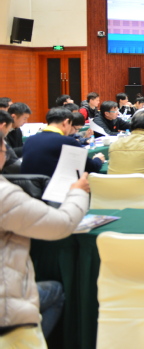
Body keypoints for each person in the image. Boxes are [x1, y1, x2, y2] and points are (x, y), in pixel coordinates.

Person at [0, 133, 90, 343]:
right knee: (55, 292)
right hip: (6, 312)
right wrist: (78, 193)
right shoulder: (5, 195)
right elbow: (61, 225)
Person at [20, 107, 104, 177]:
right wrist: (98, 159)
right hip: (53, 188)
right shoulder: (68, 142)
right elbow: (92, 167)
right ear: (66, 122)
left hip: (29, 188)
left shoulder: (30, 140)